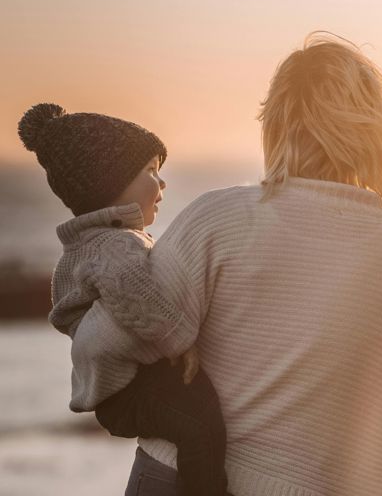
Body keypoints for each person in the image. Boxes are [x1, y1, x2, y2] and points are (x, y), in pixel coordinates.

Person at [74, 30, 382, 496]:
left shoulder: (219, 218)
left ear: (276, 122)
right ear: (374, 129)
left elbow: (104, 342)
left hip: (182, 478)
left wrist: (102, 387)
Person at [17, 103, 230, 496]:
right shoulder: (115, 246)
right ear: (108, 183)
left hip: (119, 391)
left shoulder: (89, 243)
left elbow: (69, 310)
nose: (162, 183)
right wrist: (181, 344)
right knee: (200, 423)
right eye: (150, 171)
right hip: (126, 394)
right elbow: (142, 301)